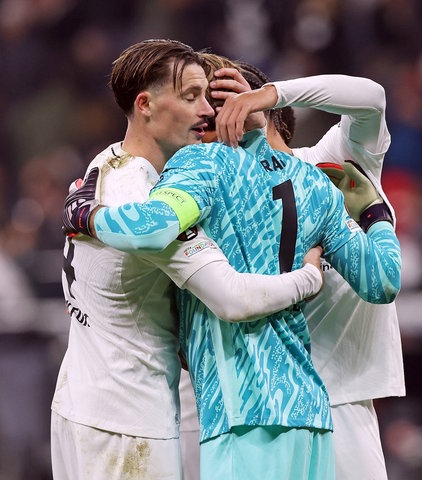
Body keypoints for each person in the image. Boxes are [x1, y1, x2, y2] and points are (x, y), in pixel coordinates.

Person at [63, 65, 401, 480]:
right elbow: (383, 281)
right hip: (309, 407)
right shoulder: (320, 185)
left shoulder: (204, 170)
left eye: (206, 102)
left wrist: (84, 212)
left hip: (248, 408)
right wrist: (375, 215)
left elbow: (154, 230)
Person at [211, 59, 405, 480]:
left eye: (224, 107)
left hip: (342, 401)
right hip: (265, 407)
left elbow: (371, 99)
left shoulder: (331, 160)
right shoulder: (219, 190)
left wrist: (273, 92)